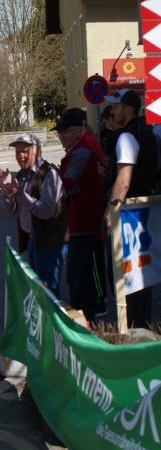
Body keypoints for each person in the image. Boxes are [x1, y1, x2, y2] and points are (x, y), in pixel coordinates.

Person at [103, 89, 158, 328]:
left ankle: (133, 330)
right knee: (142, 278)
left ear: (128, 110)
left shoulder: (126, 137)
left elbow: (123, 180)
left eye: (116, 107)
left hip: (128, 216)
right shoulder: (147, 133)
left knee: (127, 278)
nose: (112, 111)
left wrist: (110, 210)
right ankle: (141, 327)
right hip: (144, 213)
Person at [0, 133, 67, 297]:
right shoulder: (22, 175)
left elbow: (46, 211)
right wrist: (6, 191)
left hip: (50, 242)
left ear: (38, 152)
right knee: (38, 291)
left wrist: (20, 194)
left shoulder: (49, 174)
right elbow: (12, 211)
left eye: (25, 151)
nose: (20, 156)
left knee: (48, 293)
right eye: (17, 152)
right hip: (33, 239)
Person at [54, 108, 107, 323]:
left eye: (64, 132)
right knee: (81, 275)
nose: (61, 137)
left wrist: (54, 176)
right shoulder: (84, 147)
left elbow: (65, 186)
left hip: (85, 223)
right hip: (83, 222)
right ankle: (89, 313)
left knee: (80, 277)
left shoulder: (83, 151)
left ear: (77, 131)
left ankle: (87, 319)